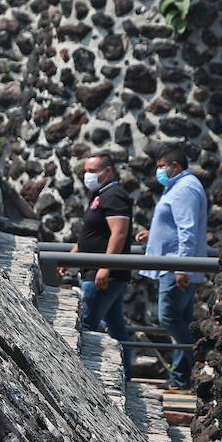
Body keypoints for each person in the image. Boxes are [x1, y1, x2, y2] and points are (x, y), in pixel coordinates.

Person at [136, 143, 207, 389]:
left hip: (174, 266)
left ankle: (201, 361)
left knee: (168, 318)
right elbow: (175, 225)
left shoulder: (184, 189)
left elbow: (187, 230)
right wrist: (153, 233)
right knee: (182, 321)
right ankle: (181, 379)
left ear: (175, 166)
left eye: (162, 167)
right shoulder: (178, 186)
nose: (159, 172)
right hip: (174, 264)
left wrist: (182, 267)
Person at [60, 153, 132, 379]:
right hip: (94, 271)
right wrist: (72, 257)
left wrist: (105, 266)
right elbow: (91, 234)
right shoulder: (100, 194)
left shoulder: (115, 196)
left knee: (88, 324)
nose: (87, 175)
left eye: (92, 170)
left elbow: (118, 233)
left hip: (102, 276)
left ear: (108, 171)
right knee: (116, 327)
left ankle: (85, 377)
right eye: (86, 170)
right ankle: (126, 373)